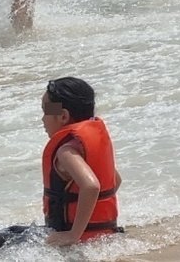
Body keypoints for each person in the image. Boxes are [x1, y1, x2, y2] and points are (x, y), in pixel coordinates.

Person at [35, 77, 122, 247]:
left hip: (76, 238)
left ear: (63, 116)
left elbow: (91, 186)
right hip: (104, 233)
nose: (42, 119)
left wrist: (74, 234)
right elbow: (115, 180)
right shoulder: (85, 145)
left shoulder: (66, 152)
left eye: (46, 112)